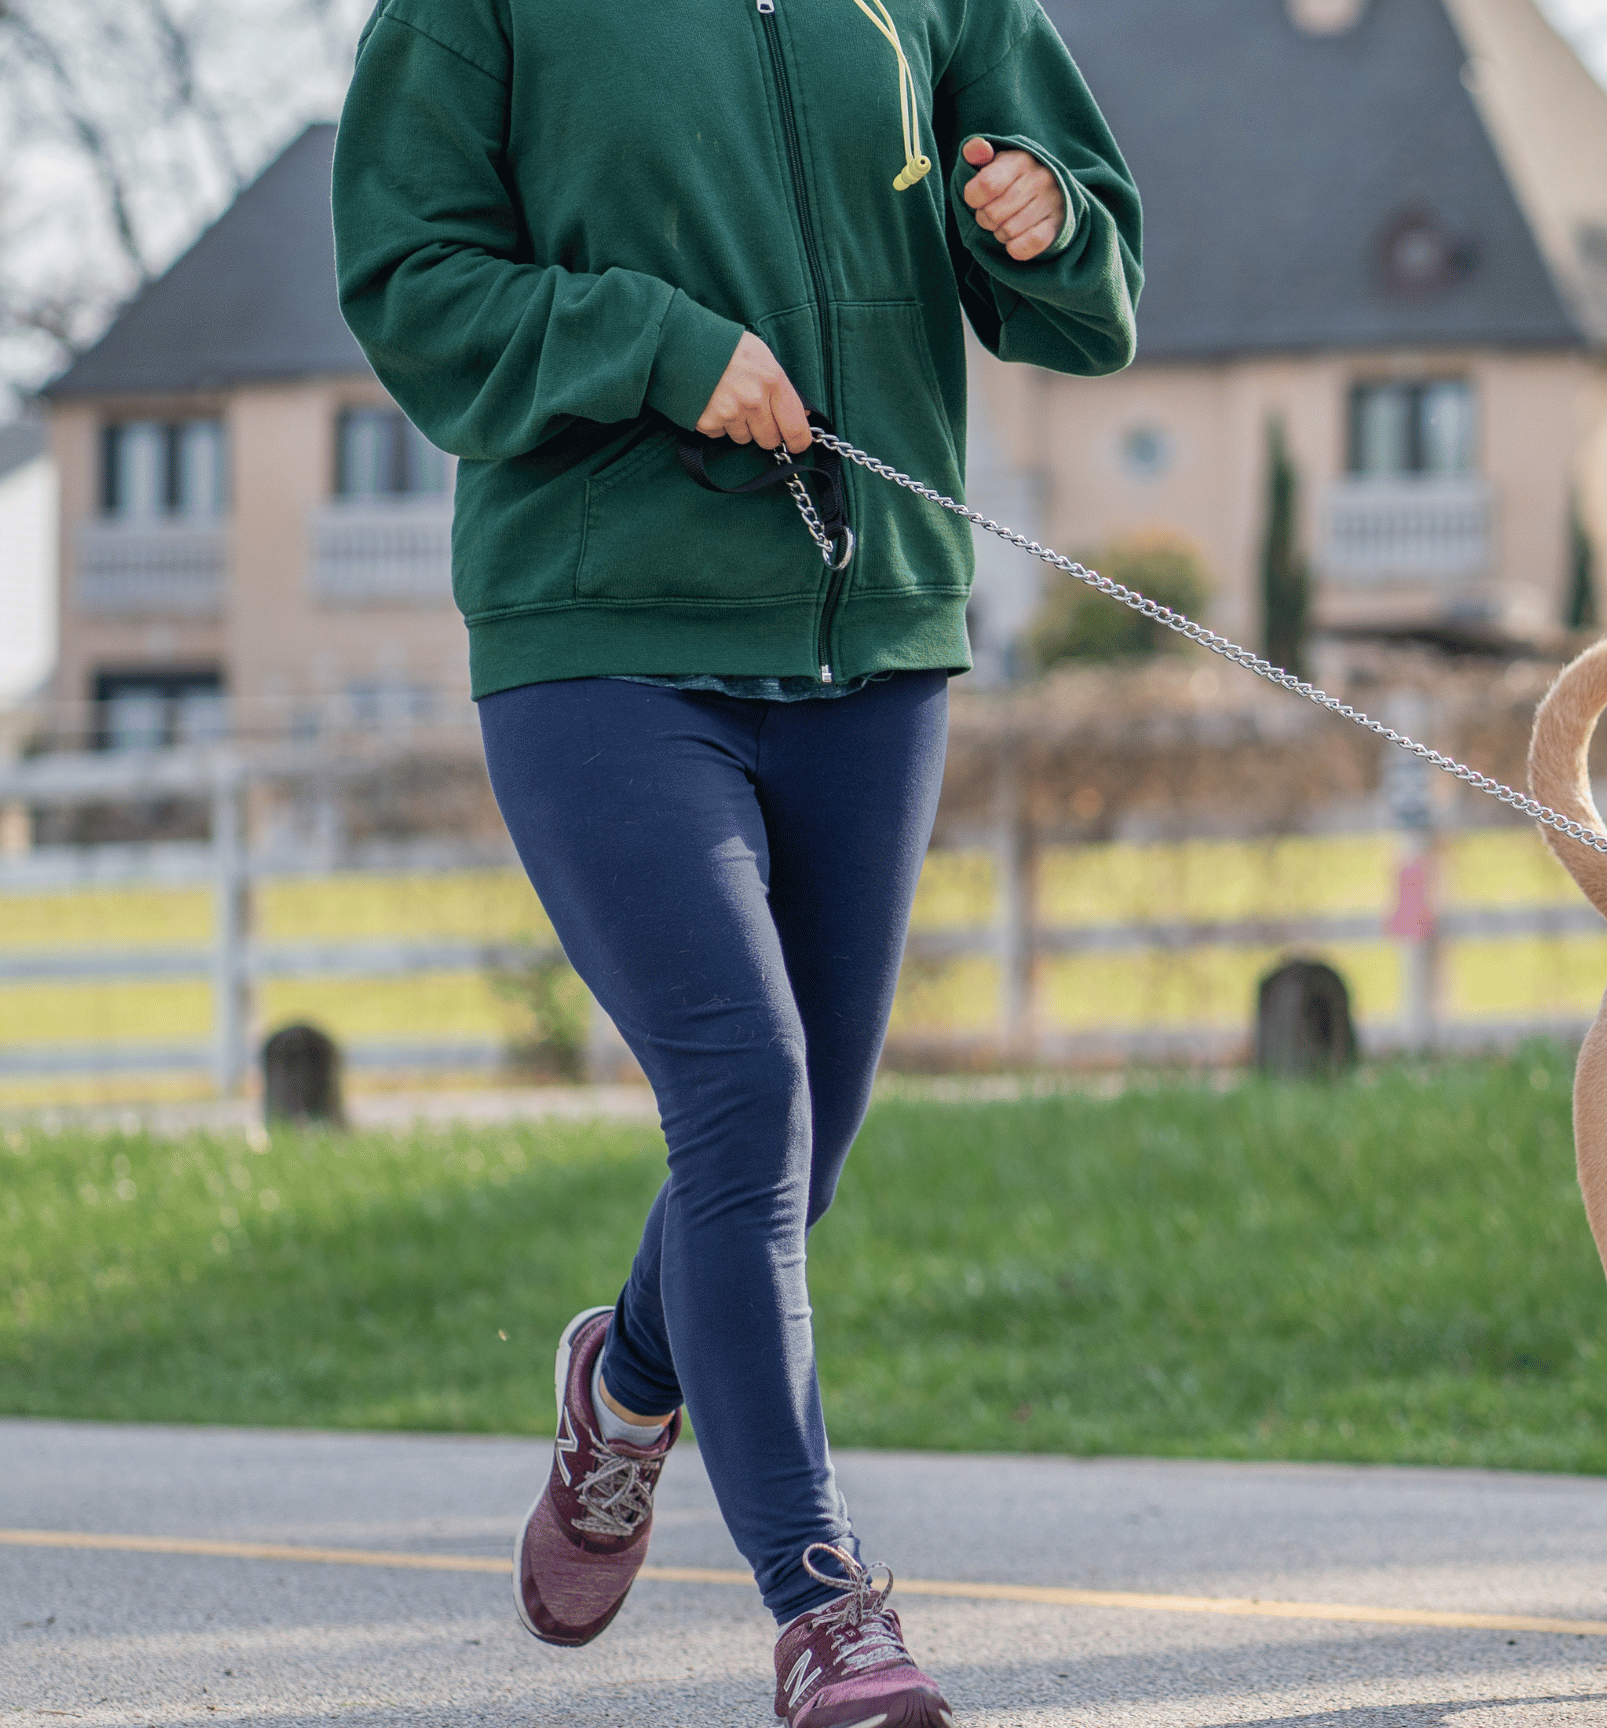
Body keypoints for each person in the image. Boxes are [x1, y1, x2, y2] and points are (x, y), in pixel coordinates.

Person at [331, 0, 1140, 1721]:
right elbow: (408, 280)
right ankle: (822, 1605)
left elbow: (1094, 288)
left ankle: (624, 1389)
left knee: (803, 1144)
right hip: (599, 633)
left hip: (880, 638)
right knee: (745, 1092)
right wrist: (651, 344)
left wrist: (1049, 218)